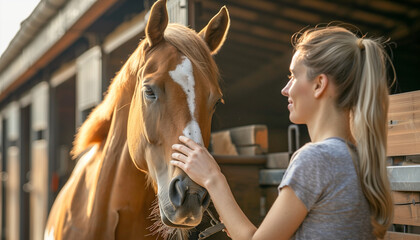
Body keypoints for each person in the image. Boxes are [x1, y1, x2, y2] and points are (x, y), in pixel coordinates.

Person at [170, 25, 395, 239]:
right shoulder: (354, 158)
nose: (285, 90)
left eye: (293, 76)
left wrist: (212, 177)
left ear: (319, 84)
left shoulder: (315, 160)